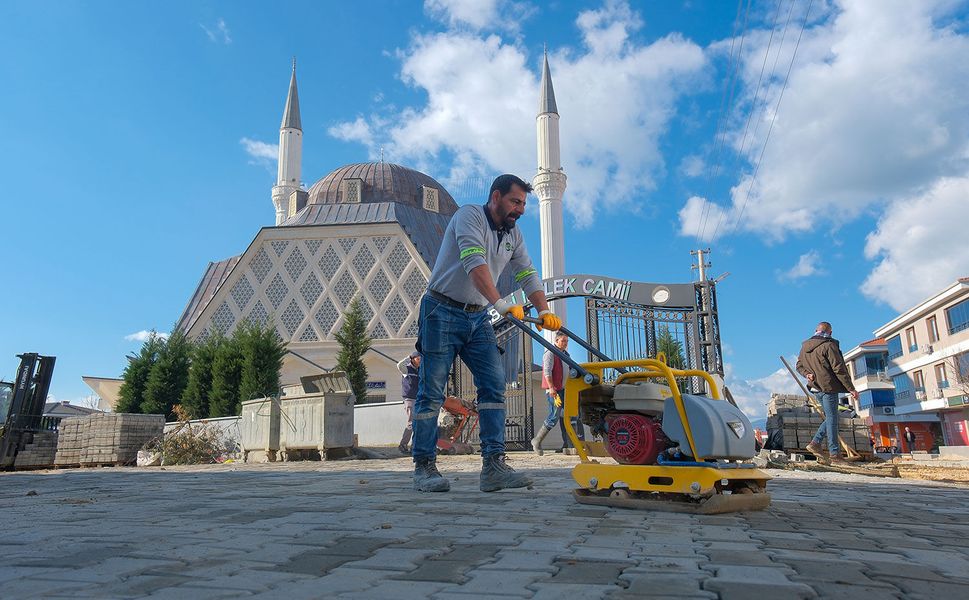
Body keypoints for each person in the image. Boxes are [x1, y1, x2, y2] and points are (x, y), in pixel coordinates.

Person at [411, 174, 561, 493]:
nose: (519, 209)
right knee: (432, 389)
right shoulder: (469, 216)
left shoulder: (513, 234)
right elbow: (473, 262)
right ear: (496, 197)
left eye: (523, 204)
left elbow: (527, 273)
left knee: (494, 385)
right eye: (514, 201)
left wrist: (545, 310)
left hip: (477, 316)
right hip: (441, 309)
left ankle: (493, 466)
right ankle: (424, 467)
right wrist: (501, 303)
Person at [796, 321, 859, 464]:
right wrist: (851, 388)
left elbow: (798, 365)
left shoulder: (805, 347)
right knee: (832, 419)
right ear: (830, 333)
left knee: (831, 417)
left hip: (814, 387)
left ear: (815, 330)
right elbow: (839, 368)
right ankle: (834, 454)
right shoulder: (829, 345)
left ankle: (816, 443)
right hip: (828, 387)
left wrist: (807, 374)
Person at [531, 331, 585, 455]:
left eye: (567, 341)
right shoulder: (550, 353)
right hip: (554, 390)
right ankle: (537, 440)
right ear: (556, 341)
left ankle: (569, 445)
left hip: (565, 390)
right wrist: (551, 388)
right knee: (554, 416)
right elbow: (547, 372)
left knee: (568, 416)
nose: (565, 343)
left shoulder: (566, 355)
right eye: (563, 341)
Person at [396, 352, 421, 454]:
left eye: (421, 359)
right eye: (418, 358)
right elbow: (399, 365)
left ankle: (414, 446)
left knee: (418, 423)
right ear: (413, 359)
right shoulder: (406, 369)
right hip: (409, 399)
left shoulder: (420, 371)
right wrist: (408, 357)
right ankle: (403, 445)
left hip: (418, 399)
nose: (420, 361)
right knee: (411, 422)